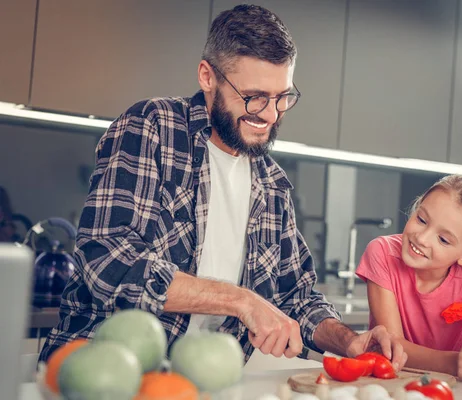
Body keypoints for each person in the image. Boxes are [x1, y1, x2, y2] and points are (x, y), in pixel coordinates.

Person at [39, 4, 407, 370]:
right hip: (104, 371)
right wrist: (240, 300)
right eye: (254, 96)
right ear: (207, 76)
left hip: (207, 381)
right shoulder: (153, 127)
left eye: (282, 97)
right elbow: (108, 259)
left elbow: (297, 297)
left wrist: (349, 340)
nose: (270, 114)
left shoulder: (273, 184)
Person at [356, 174, 462, 380]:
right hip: (388, 382)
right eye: (421, 219)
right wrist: (453, 362)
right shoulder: (382, 253)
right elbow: (392, 345)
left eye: (443, 239)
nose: (422, 238)